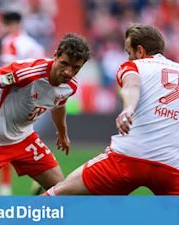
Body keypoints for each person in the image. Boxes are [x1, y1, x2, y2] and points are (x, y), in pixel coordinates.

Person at [44, 23, 179, 196]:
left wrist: (128, 109)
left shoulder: (135, 66)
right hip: (172, 166)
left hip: (129, 157)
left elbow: (132, 85)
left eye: (128, 53)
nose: (128, 58)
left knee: (59, 193)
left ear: (140, 51)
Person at [0, 33, 91, 193]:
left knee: (61, 191)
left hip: (24, 139)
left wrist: (62, 132)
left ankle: (32, 215)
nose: (68, 72)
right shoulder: (27, 72)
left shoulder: (70, 86)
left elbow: (59, 105)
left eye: (76, 68)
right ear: (55, 55)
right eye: (64, 63)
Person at [0, 11, 46, 195]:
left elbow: (9, 71)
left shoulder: (9, 42)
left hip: (17, 96)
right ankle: (38, 178)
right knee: (24, 137)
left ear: (9, 24)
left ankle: (5, 187)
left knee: (4, 138)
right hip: (36, 97)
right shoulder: (34, 44)